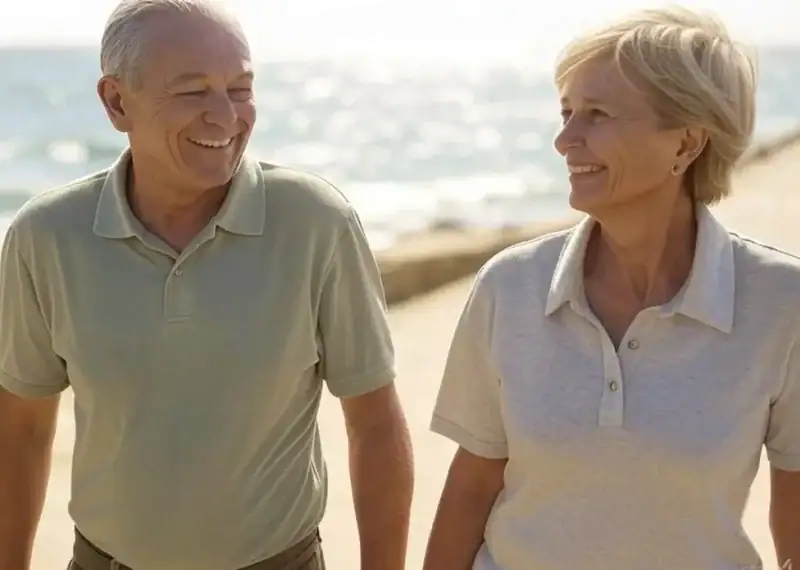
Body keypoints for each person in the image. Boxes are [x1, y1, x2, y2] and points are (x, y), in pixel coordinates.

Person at [0, 1, 414, 569]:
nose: (225, 116)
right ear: (117, 101)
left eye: (240, 89)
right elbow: (20, 432)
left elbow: (374, 422)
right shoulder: (45, 236)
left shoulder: (317, 222)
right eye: (193, 92)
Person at [423, 7, 799, 570]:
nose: (564, 139)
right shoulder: (510, 286)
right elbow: (472, 486)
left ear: (687, 143)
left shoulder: (780, 304)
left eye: (596, 115)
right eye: (566, 111)